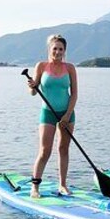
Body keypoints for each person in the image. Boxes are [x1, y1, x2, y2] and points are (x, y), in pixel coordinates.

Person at [26, 34, 78, 198]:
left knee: (63, 149)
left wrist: (67, 115)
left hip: (67, 113)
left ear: (64, 51)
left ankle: (62, 185)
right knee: (45, 150)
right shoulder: (41, 66)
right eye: (54, 48)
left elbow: (74, 94)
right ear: (50, 49)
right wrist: (33, 86)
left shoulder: (70, 68)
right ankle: (35, 187)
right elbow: (33, 93)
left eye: (61, 49)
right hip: (48, 113)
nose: (57, 52)